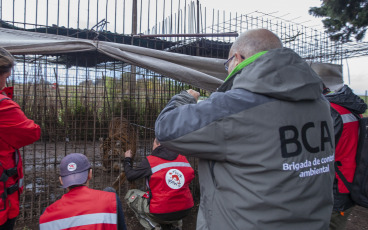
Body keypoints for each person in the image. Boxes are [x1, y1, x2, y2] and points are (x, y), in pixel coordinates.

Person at [155, 29, 335, 230]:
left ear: (237, 58)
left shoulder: (234, 106)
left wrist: (185, 98)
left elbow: (166, 128)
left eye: (228, 64)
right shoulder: (321, 104)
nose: (227, 70)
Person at [0, 47, 41, 230]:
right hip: (3, 202)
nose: (6, 80)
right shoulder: (4, 108)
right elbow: (32, 131)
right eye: (6, 77)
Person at [39, 153, 127, 230]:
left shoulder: (46, 216)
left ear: (61, 180)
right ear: (90, 174)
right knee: (110, 191)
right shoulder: (110, 199)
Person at [123, 138, 194, 230]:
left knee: (130, 195)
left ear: (158, 144)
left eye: (153, 144)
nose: (152, 147)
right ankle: (176, 224)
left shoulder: (150, 161)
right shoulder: (183, 158)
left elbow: (130, 175)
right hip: (185, 210)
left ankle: (153, 226)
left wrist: (127, 159)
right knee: (176, 194)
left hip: (160, 211)